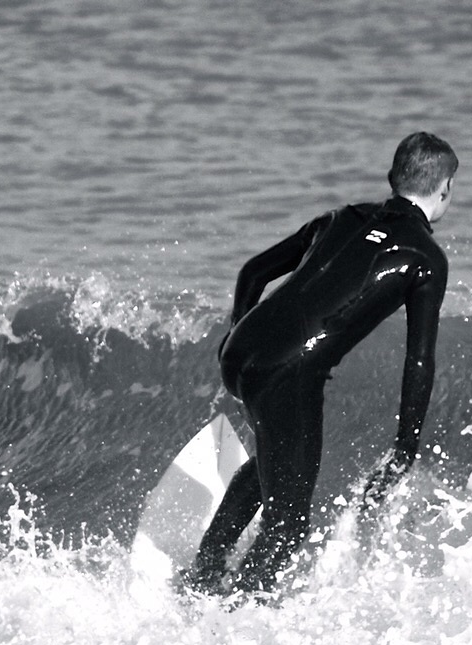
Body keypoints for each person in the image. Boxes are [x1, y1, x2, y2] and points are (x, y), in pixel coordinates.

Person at [183, 131, 457, 596]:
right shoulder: (425, 257)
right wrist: (405, 447)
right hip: (288, 373)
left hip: (242, 350)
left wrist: (234, 336)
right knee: (288, 526)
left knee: (271, 462)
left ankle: (204, 573)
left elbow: (252, 272)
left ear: (394, 177)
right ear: (445, 189)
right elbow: (419, 360)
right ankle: (236, 612)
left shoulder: (339, 218)